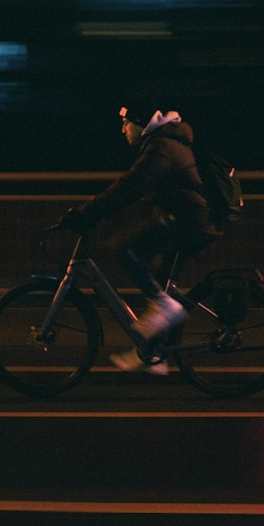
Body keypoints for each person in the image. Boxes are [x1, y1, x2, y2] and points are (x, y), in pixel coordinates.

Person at [61, 106, 217, 372]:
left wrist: (87, 213)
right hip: (188, 219)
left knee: (128, 249)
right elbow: (133, 191)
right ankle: (154, 353)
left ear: (140, 124)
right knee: (157, 279)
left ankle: (163, 313)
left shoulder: (161, 147)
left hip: (189, 222)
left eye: (125, 123)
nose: (123, 129)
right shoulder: (163, 143)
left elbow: (130, 187)